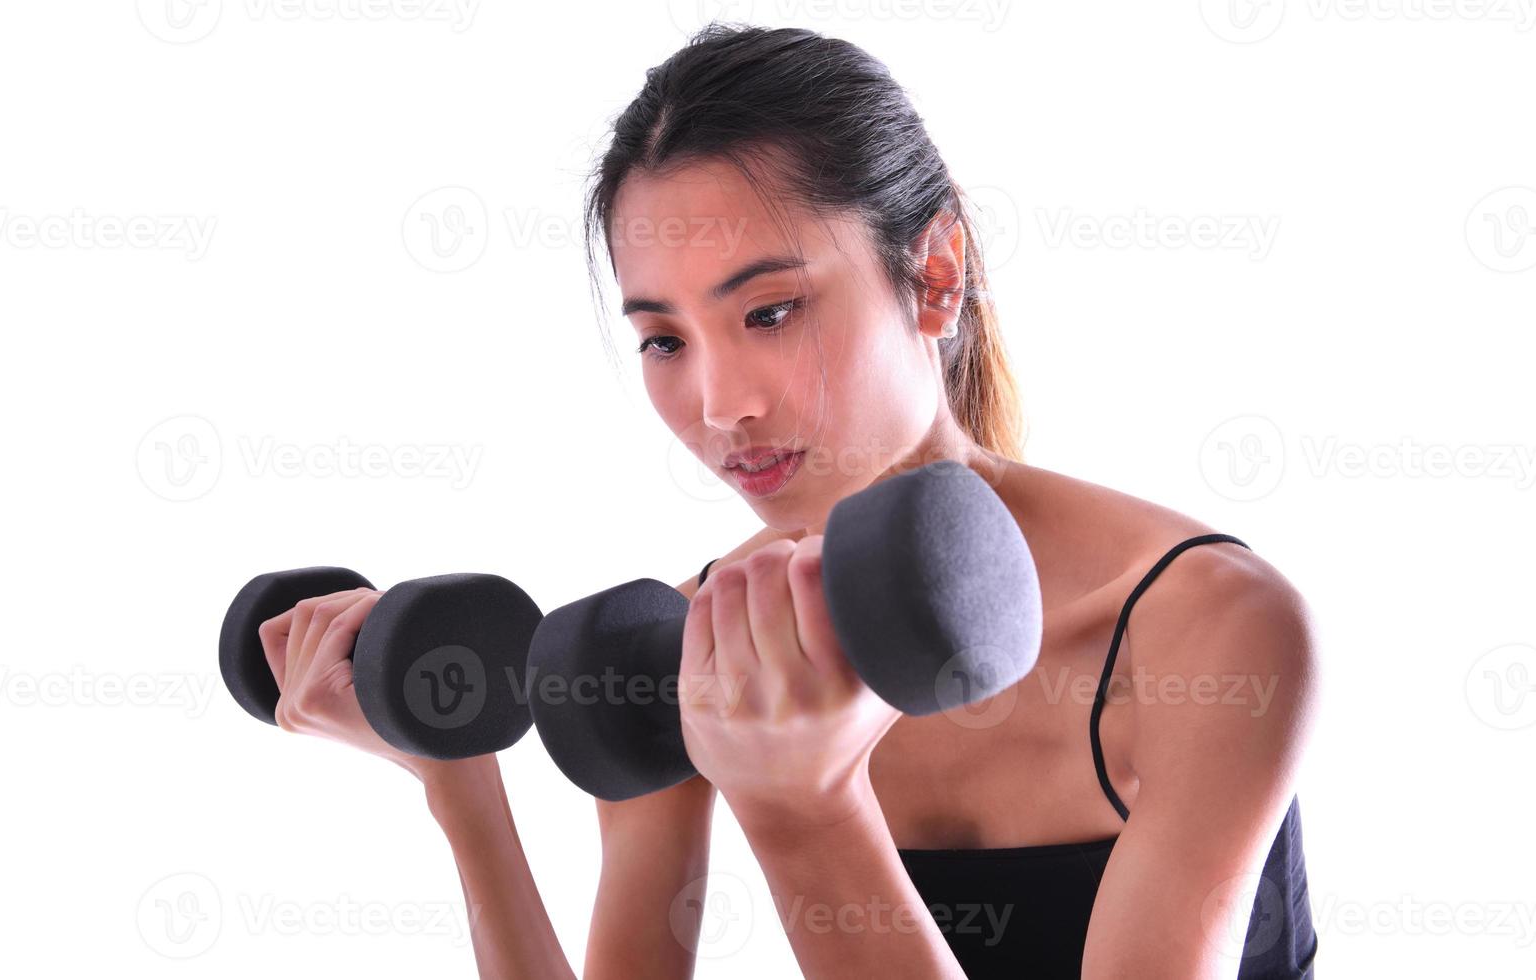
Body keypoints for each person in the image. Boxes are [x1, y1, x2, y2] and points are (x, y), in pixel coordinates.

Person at [259, 23, 1320, 979]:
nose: (719, 405)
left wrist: (804, 806)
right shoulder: (696, 645)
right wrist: (457, 779)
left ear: (935, 273)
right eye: (664, 340)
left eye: (768, 311)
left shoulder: (1209, 626)